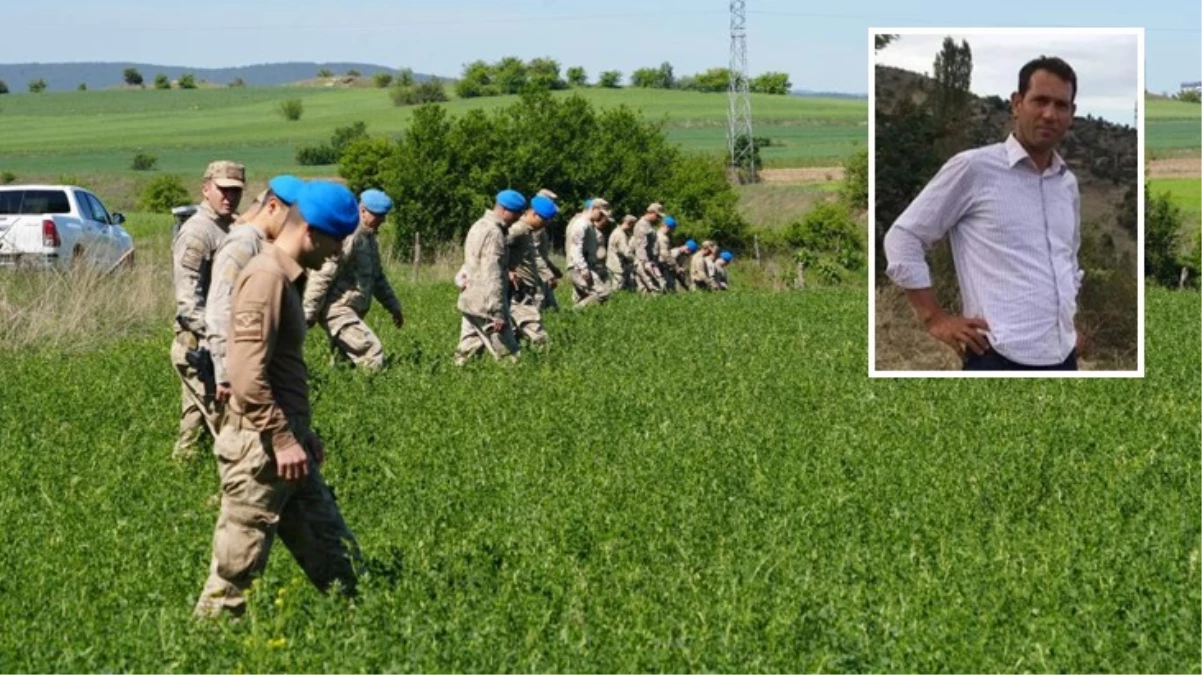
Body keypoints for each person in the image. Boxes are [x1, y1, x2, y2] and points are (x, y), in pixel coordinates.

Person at [193, 180, 363, 620]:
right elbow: (247, 375)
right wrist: (283, 438)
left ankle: (366, 630)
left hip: (286, 447)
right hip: (260, 450)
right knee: (235, 573)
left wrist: (302, 436)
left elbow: (280, 372)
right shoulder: (266, 277)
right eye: (335, 241)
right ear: (309, 231)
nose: (338, 254)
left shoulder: (285, 277)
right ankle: (203, 649)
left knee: (337, 557)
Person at [882, 55, 1084, 371]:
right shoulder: (974, 168)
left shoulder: (1067, 184)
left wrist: (1068, 325)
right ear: (1017, 103)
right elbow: (904, 237)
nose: (1049, 114)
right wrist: (934, 317)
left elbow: (1068, 259)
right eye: (1040, 101)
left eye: (1061, 105)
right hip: (997, 357)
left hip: (1063, 357)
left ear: (1072, 114)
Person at [207, 175, 304, 408]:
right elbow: (220, 308)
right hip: (235, 370)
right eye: (292, 220)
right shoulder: (244, 242)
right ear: (272, 207)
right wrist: (225, 374)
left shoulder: (263, 243)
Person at [170, 160, 245, 460]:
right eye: (222, 190)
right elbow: (188, 302)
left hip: (215, 341)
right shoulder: (198, 232)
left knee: (195, 419)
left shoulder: (231, 227)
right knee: (224, 421)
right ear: (206, 189)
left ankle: (182, 470)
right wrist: (221, 336)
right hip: (199, 343)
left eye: (235, 191)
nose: (229, 197)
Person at [303, 189, 404, 371]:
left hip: (351, 310)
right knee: (371, 353)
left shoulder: (369, 238)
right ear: (363, 211)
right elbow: (324, 273)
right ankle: (375, 396)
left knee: (344, 367)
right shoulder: (350, 236)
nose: (383, 220)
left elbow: (378, 279)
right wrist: (309, 311)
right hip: (338, 310)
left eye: (384, 215)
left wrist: (393, 307)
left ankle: (338, 394)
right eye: (378, 215)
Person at [455, 189, 526, 365]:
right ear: (504, 210)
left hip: (470, 299)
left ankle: (455, 382)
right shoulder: (495, 233)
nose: (519, 217)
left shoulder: (478, 225)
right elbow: (492, 274)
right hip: (485, 303)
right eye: (516, 213)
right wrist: (497, 313)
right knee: (510, 358)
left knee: (467, 352)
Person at [506, 194, 559, 349]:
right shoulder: (518, 230)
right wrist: (508, 270)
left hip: (527, 290)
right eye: (544, 219)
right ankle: (547, 365)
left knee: (514, 336)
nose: (546, 224)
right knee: (538, 334)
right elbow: (499, 248)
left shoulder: (528, 232)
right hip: (518, 292)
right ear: (533, 213)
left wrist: (550, 272)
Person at [565, 198, 613, 307]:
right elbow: (576, 248)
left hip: (585, 266)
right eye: (601, 213)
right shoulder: (581, 224)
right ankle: (574, 312)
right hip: (578, 267)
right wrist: (583, 268)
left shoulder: (589, 224)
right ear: (594, 208)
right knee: (603, 292)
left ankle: (577, 316)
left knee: (583, 296)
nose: (601, 217)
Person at [532, 189, 564, 311]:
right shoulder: (536, 227)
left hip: (542, 271)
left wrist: (552, 268)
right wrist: (548, 274)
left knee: (552, 308)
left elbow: (541, 253)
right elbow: (534, 254)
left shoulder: (540, 226)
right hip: (536, 273)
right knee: (538, 305)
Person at [631, 203, 667, 294]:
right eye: (657, 216)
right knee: (656, 289)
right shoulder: (642, 226)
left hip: (649, 261)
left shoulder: (649, 225)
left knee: (649, 291)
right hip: (644, 263)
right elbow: (641, 246)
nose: (659, 219)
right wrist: (646, 263)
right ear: (651, 212)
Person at [607, 214, 636, 292]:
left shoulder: (618, 231)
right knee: (617, 287)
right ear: (629, 223)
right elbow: (626, 252)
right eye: (633, 225)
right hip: (616, 265)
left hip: (613, 263)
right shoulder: (620, 235)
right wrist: (636, 260)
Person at [656, 216, 681, 293]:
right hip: (661, 265)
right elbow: (665, 254)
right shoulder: (662, 237)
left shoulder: (657, 234)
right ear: (667, 227)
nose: (673, 231)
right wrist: (675, 266)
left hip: (659, 264)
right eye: (673, 228)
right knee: (666, 288)